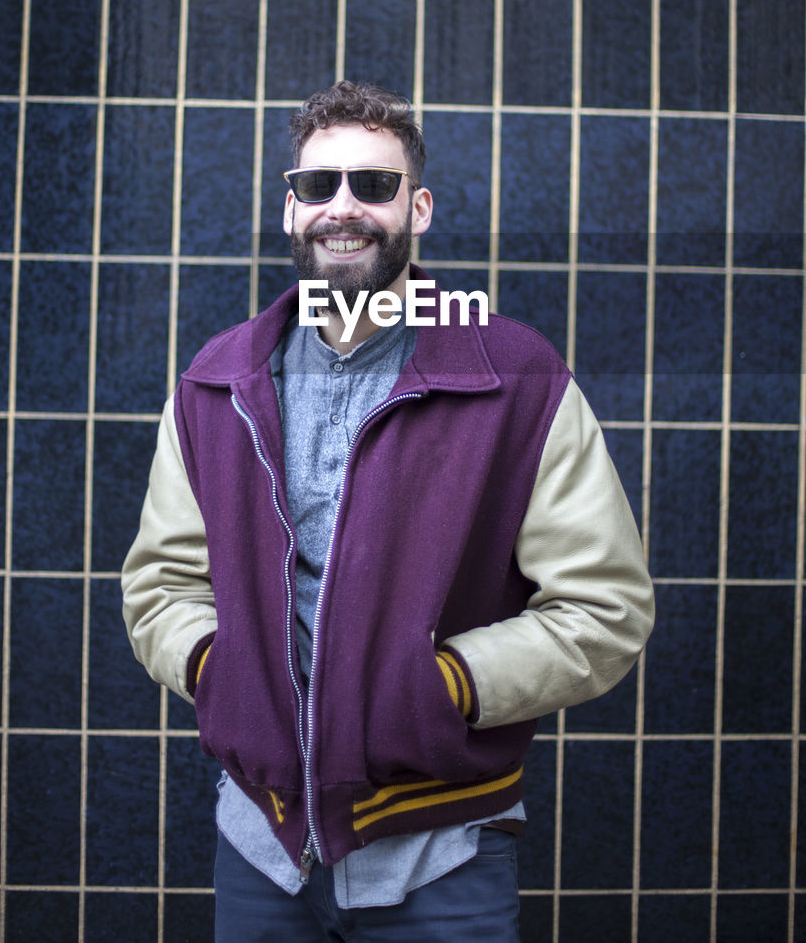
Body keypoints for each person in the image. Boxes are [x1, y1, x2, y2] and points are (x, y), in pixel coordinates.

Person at [122, 80, 655, 942]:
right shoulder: (216, 379)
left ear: (419, 207)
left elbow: (606, 609)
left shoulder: (515, 377)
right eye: (317, 186)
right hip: (260, 847)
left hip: (440, 854)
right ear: (290, 209)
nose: (344, 208)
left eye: (373, 186)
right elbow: (159, 586)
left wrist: (438, 685)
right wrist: (227, 674)